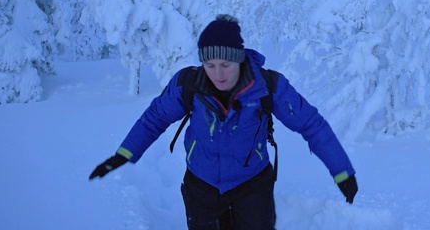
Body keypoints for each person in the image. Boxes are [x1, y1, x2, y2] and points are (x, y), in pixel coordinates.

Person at [89, 14, 358, 229]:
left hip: (253, 184)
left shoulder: (269, 86)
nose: (218, 73)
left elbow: (311, 124)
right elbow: (154, 118)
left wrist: (342, 171)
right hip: (201, 185)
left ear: (239, 59)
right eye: (210, 64)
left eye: (226, 64)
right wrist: (124, 154)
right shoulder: (188, 85)